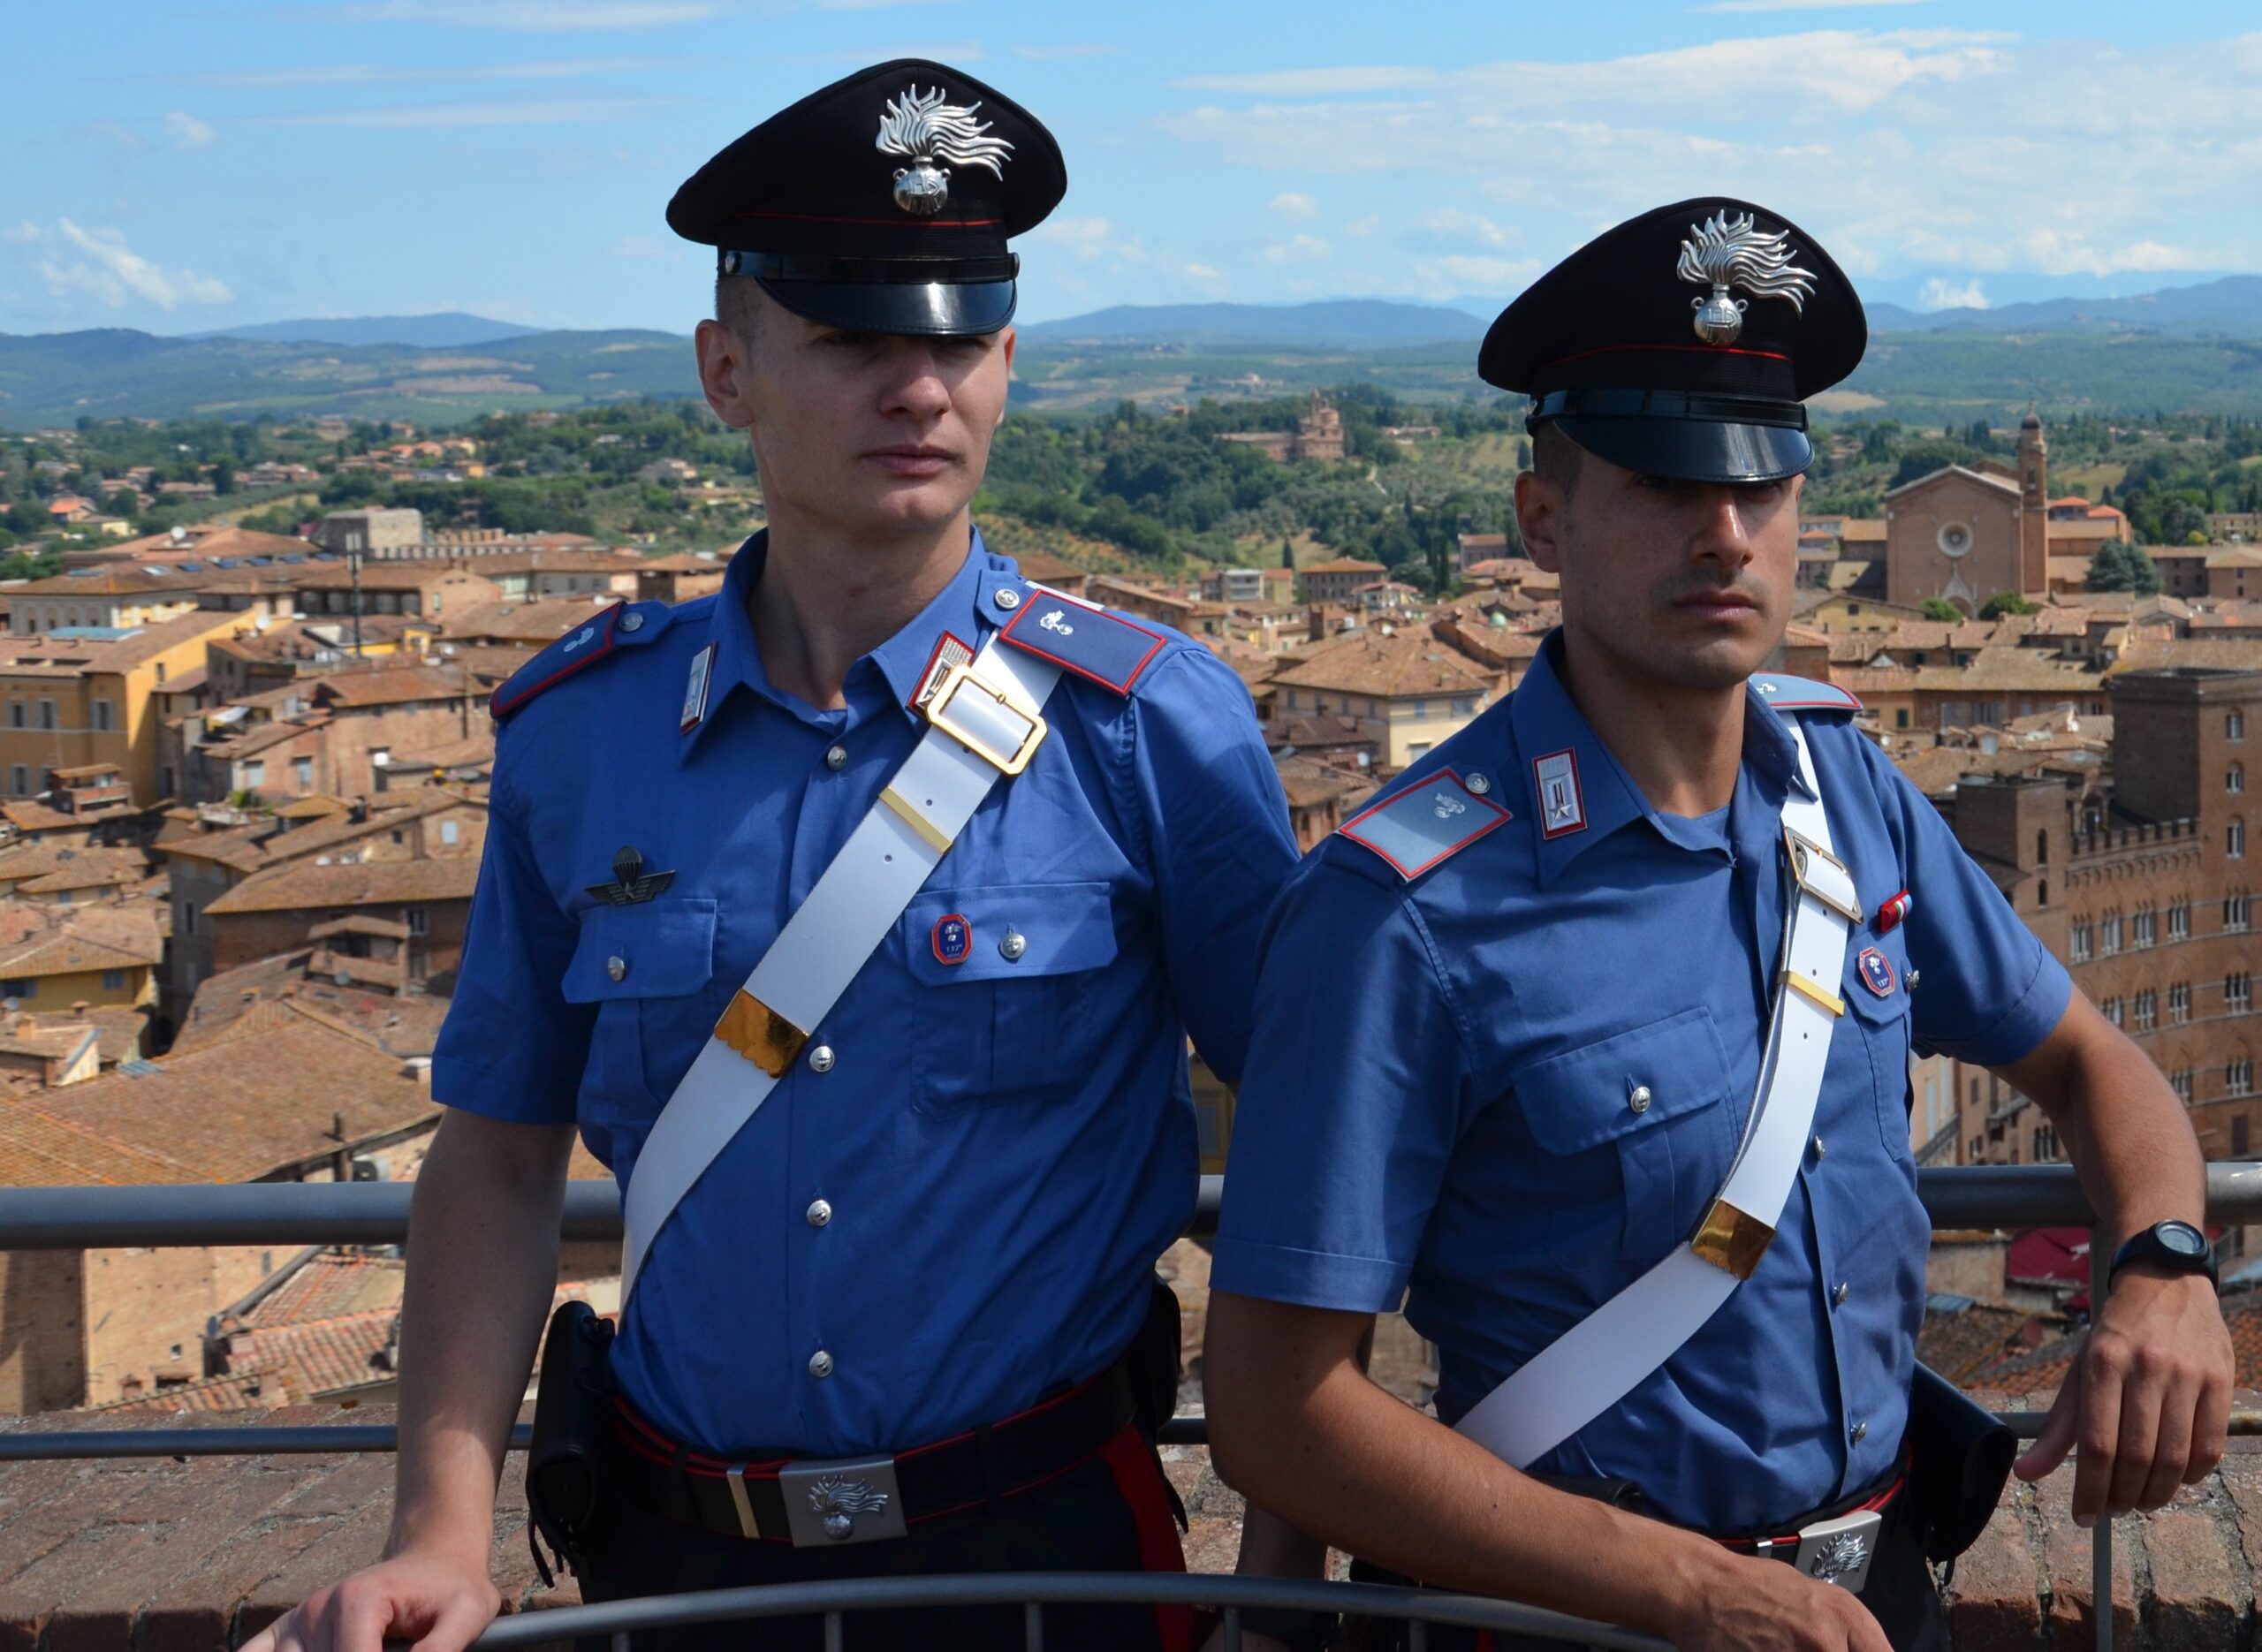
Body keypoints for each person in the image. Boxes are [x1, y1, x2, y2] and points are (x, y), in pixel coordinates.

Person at [247, 59, 1299, 1652]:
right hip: (677, 1569)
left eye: (957, 336)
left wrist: (1280, 1573)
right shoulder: (577, 741)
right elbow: (500, 1152)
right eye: (857, 337)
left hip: (1055, 1562)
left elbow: (1307, 1152)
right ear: (727, 370)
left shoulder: (1152, 731)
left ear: (1008, 360)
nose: (918, 384)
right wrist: (441, 1535)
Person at [1203, 198, 2235, 1652]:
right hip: (1573, 1627)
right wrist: (1694, 1592)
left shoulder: (1852, 790)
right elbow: (1273, 1407)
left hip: (1878, 1597)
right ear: (1543, 517)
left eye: (1763, 481)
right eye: (1663, 481)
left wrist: (2168, 1261)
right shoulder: (1404, 908)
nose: (1724, 532)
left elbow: (2082, 1056)